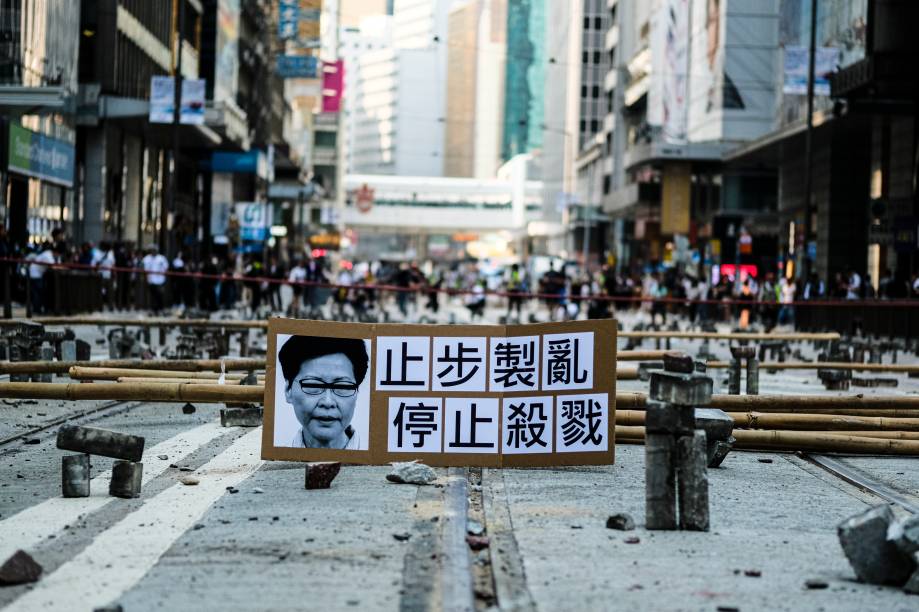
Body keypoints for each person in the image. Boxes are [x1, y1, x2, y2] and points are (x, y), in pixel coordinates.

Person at [278, 335, 369, 449]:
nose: (327, 402)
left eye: (343, 386)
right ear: (288, 390)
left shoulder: (384, 462)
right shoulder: (272, 461)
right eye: (312, 385)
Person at [141, 245, 169, 313]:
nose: (153, 251)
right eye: (152, 250)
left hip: (160, 280)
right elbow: (144, 268)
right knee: (153, 295)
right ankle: (153, 309)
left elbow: (166, 267)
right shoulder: (146, 258)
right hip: (151, 280)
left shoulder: (162, 258)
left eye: (155, 250)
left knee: (160, 295)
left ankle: (160, 309)